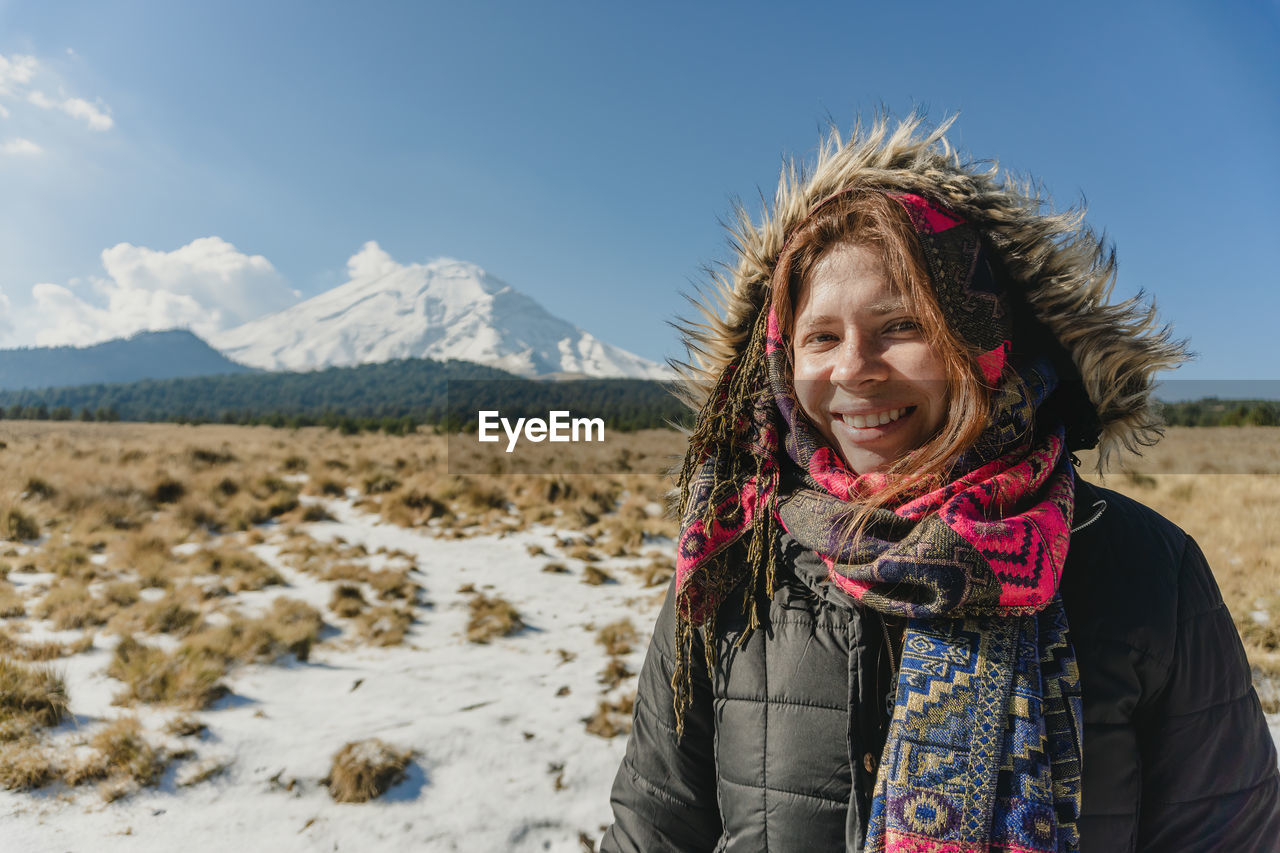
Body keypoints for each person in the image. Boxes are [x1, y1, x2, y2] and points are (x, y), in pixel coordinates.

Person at [601, 117, 1280, 852]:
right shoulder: (734, 560)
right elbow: (655, 827)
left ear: (982, 339)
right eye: (821, 337)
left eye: (899, 325)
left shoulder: (1145, 568)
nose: (854, 369)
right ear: (780, 361)